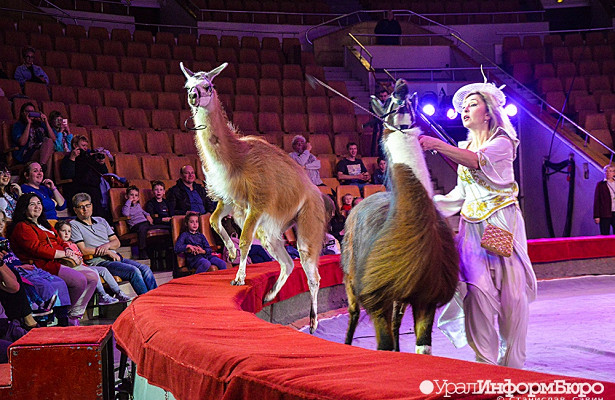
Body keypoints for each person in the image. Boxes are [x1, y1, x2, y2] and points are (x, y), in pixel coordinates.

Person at [418, 80, 537, 368]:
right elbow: (462, 192)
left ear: (488, 112)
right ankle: (484, 361)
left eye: (473, 104)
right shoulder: (466, 146)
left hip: (500, 222)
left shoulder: (503, 142)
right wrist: (430, 205)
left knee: (511, 296)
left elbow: (476, 161)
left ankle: (512, 363)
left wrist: (435, 143)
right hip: (470, 226)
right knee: (476, 292)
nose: (465, 109)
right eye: (464, 106)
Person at [8, 193, 98, 326]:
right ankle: (64, 314)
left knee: (93, 277)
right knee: (79, 281)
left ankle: (74, 314)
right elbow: (36, 249)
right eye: (32, 204)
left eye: (39, 203)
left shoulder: (44, 224)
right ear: (24, 208)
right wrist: (63, 254)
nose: (37, 206)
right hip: (41, 263)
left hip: (59, 260)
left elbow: (60, 240)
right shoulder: (22, 226)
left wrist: (69, 251)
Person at [69, 192, 158, 296]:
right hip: (99, 262)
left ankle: (155, 299)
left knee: (146, 269)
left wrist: (107, 246)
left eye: (87, 205)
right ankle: (146, 303)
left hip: (116, 258)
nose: (85, 209)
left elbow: (117, 242)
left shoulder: (101, 220)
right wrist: (107, 252)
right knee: (134, 271)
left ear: (92, 206)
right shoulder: (74, 225)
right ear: (75, 210)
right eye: (81, 207)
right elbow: (83, 250)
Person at [0, 210, 69, 325]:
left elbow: (14, 257)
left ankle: (63, 321)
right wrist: (18, 266)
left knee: (60, 283)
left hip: (24, 267)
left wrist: (22, 264)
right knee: (43, 285)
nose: (1, 223)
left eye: (2, 220)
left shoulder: (4, 240)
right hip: (14, 272)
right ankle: (41, 317)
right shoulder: (19, 229)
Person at [55, 220, 131, 305]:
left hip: (83, 265)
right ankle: (102, 295)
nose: (66, 233)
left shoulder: (73, 243)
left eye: (69, 231)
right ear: (57, 232)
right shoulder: (59, 245)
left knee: (103, 270)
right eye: (63, 231)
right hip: (73, 268)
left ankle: (118, 293)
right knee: (94, 271)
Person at [59, 135, 110, 219]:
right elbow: (68, 175)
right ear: (75, 146)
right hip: (79, 188)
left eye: (86, 145)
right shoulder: (68, 158)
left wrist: (101, 163)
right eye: (83, 146)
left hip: (95, 187)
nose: (85, 148)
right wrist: (73, 158)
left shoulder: (89, 157)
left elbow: (104, 173)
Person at [122, 185, 167, 259]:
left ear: (138, 198)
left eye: (136, 195)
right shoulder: (126, 207)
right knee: (143, 227)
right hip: (136, 226)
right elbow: (126, 214)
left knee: (165, 226)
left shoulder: (138, 205)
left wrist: (148, 215)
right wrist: (129, 201)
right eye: (131, 195)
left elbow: (143, 212)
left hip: (145, 223)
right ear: (126, 196)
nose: (133, 197)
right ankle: (142, 250)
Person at [11, 102, 55, 170]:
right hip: (28, 153)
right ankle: (45, 174)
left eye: (32, 111)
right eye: (27, 111)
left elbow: (53, 139)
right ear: (22, 113)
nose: (30, 114)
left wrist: (46, 122)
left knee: (48, 144)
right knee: (48, 155)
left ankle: (42, 166)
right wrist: (28, 124)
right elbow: (22, 143)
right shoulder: (18, 125)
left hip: (42, 150)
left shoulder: (40, 124)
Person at [593, 164, 615, 235]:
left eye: (610, 171)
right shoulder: (601, 184)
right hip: (605, 213)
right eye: (606, 171)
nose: (608, 173)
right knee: (605, 234)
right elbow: (597, 201)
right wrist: (596, 216)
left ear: (614, 173)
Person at [369, 88, 391, 157]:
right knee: (378, 141)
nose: (383, 98)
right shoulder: (375, 104)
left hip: (389, 126)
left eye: (385, 96)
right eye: (381, 96)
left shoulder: (391, 104)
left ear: (388, 96)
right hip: (378, 126)